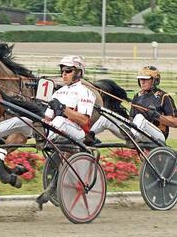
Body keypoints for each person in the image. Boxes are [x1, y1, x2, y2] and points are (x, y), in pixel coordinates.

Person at [33, 55, 96, 211]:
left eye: (68, 70)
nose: (64, 74)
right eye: (62, 70)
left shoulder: (86, 93)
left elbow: (83, 120)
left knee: (59, 121)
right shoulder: (57, 93)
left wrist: (63, 109)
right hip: (58, 130)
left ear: (79, 73)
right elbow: (47, 119)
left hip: (78, 133)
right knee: (31, 121)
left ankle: (45, 139)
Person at [87, 66, 177, 145]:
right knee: (106, 117)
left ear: (154, 80)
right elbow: (131, 120)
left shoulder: (164, 97)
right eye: (140, 79)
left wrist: (156, 116)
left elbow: (175, 122)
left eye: (145, 79)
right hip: (136, 133)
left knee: (139, 117)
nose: (142, 82)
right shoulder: (137, 96)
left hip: (157, 136)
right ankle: (86, 136)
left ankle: (133, 137)